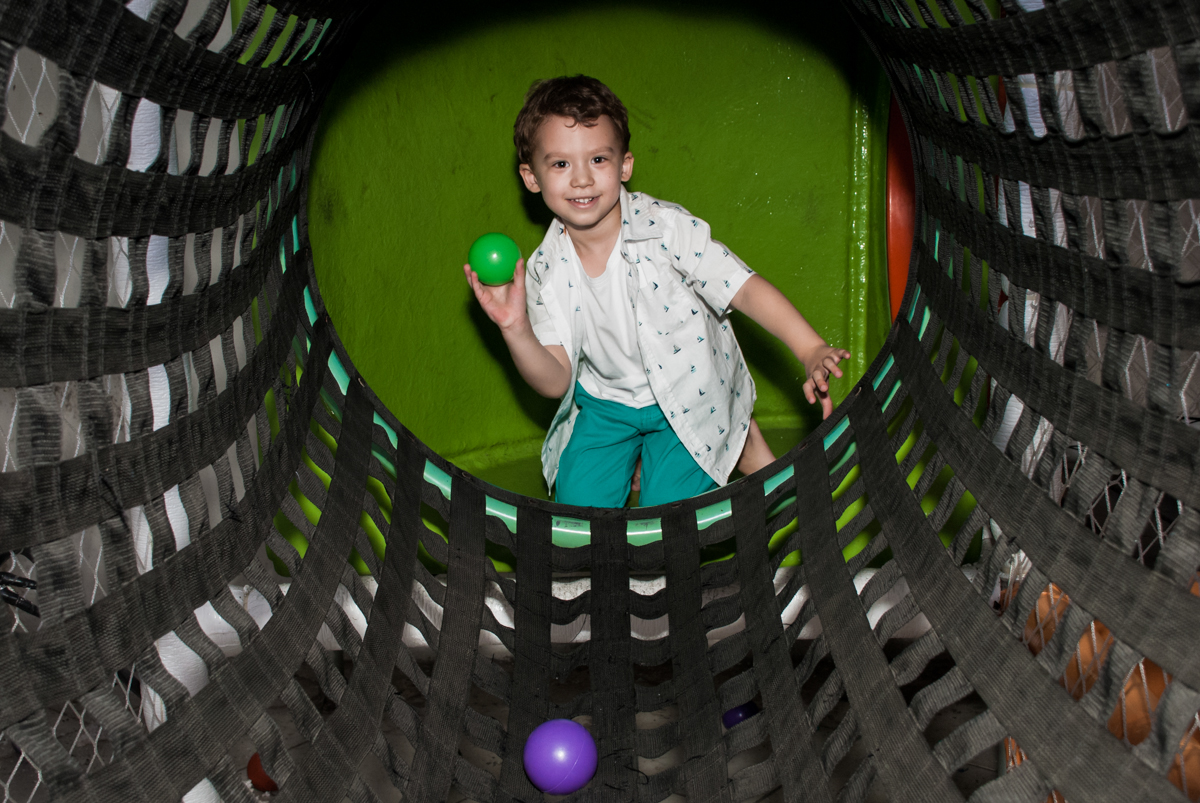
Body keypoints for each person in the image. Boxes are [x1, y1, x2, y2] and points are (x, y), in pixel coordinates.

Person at [464, 75, 848, 508]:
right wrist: (515, 328)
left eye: (598, 159)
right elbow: (555, 380)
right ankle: (649, 455)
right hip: (606, 405)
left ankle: (733, 438)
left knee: (668, 519)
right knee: (577, 516)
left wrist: (809, 346)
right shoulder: (543, 270)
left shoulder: (665, 230)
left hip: (687, 392)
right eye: (560, 164)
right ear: (531, 178)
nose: (582, 179)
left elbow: (742, 288)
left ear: (624, 165)